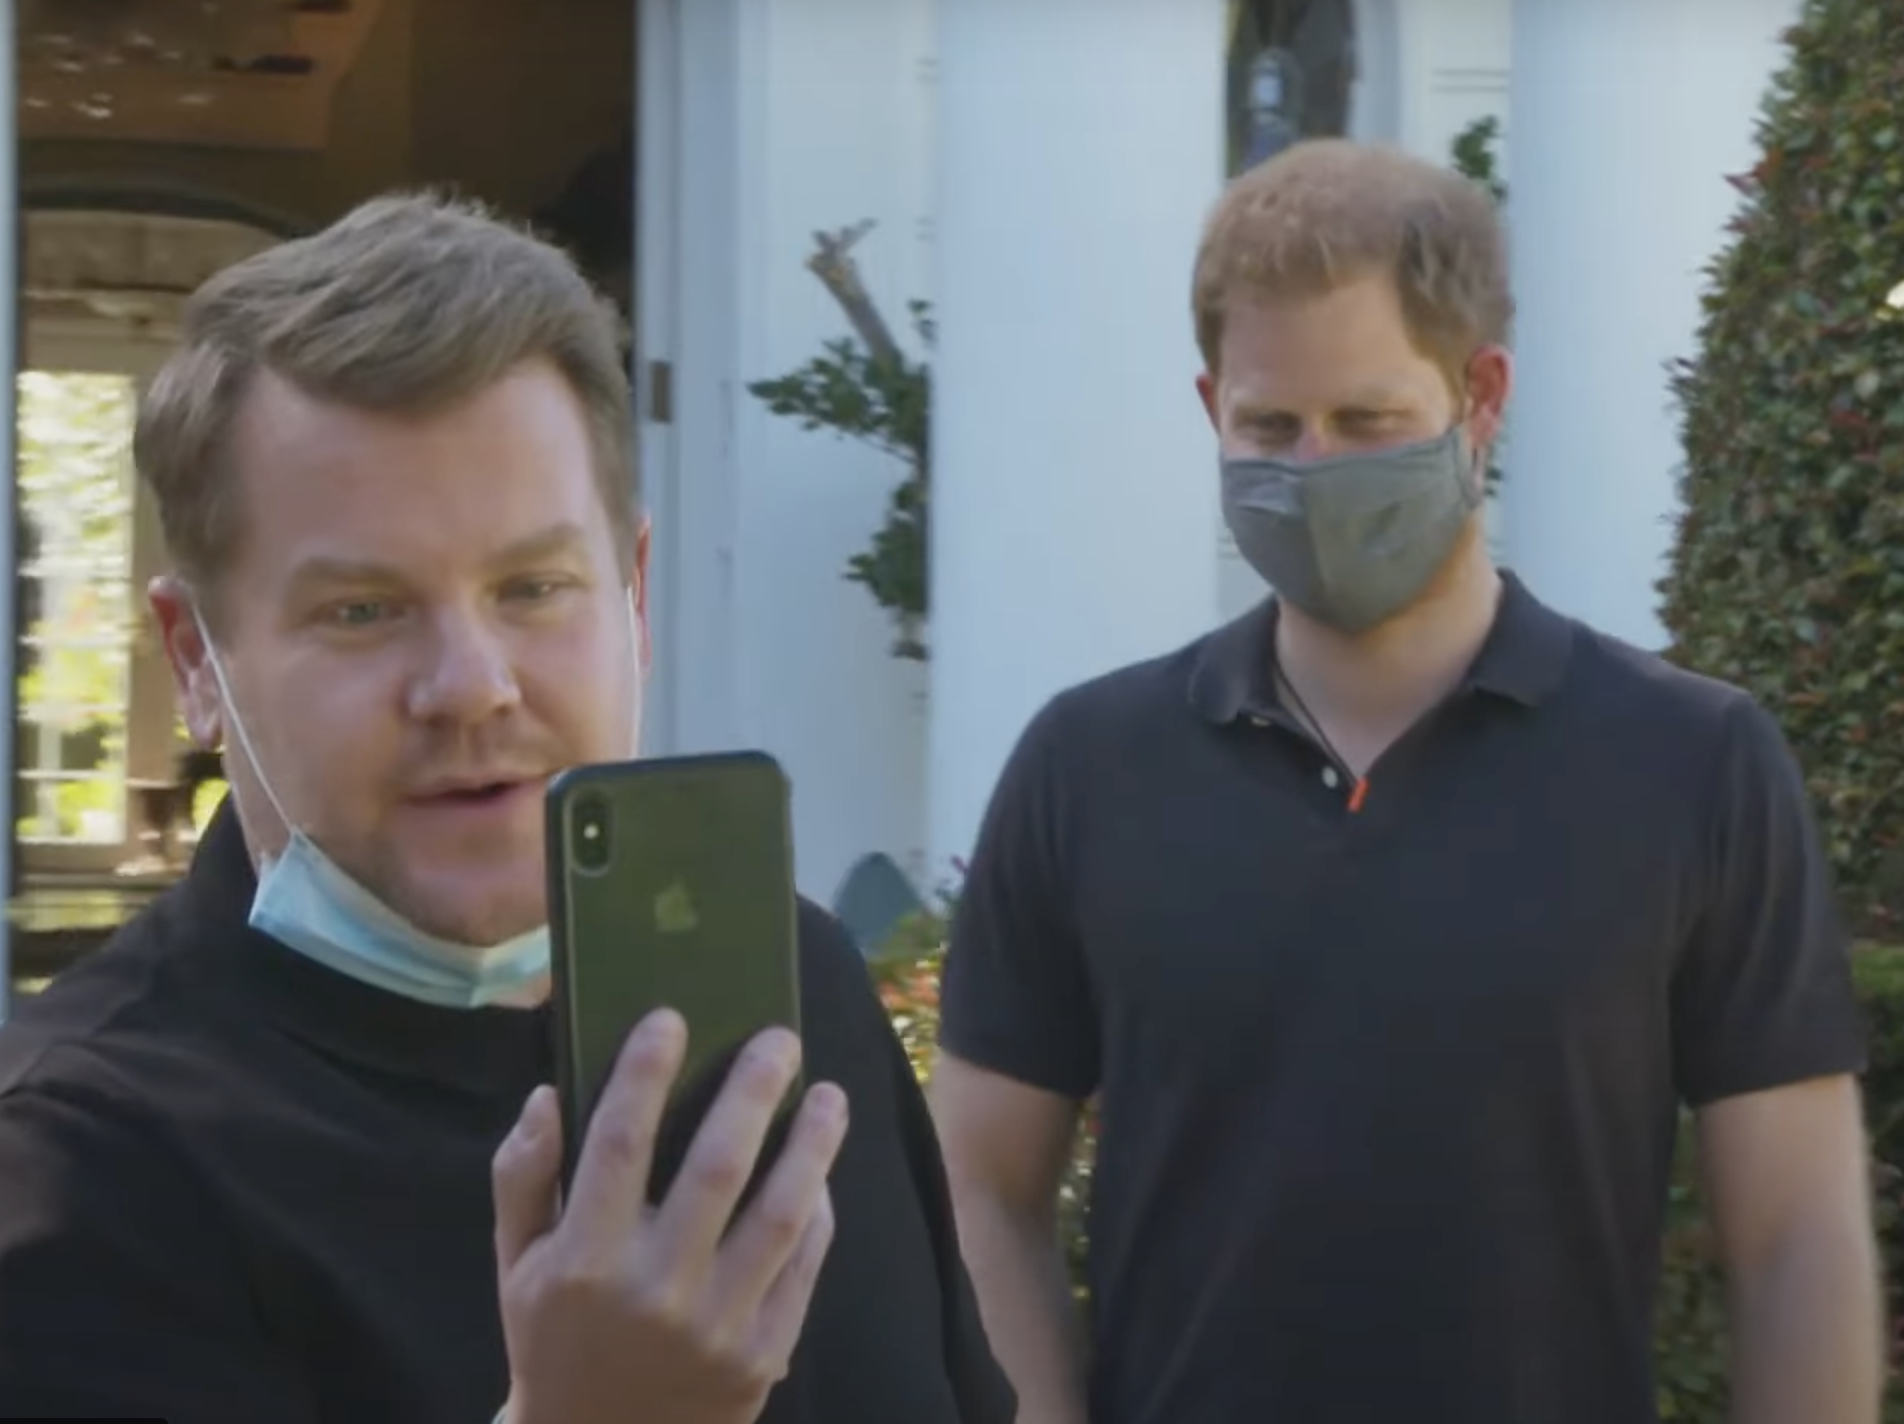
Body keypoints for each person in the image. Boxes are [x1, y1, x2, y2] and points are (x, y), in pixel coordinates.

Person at [0, 193, 1014, 1424]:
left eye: (533, 585)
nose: (471, 685)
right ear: (196, 658)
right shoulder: (79, 1160)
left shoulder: (788, 990)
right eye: (362, 609)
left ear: (632, 593)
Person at [927, 138, 1883, 1424]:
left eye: (1366, 421)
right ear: (1211, 406)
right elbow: (980, 1183)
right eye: (1270, 424)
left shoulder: (1689, 764)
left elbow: (1794, 1235)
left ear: (1478, 396)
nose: (1312, 469)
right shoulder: (1086, 766)